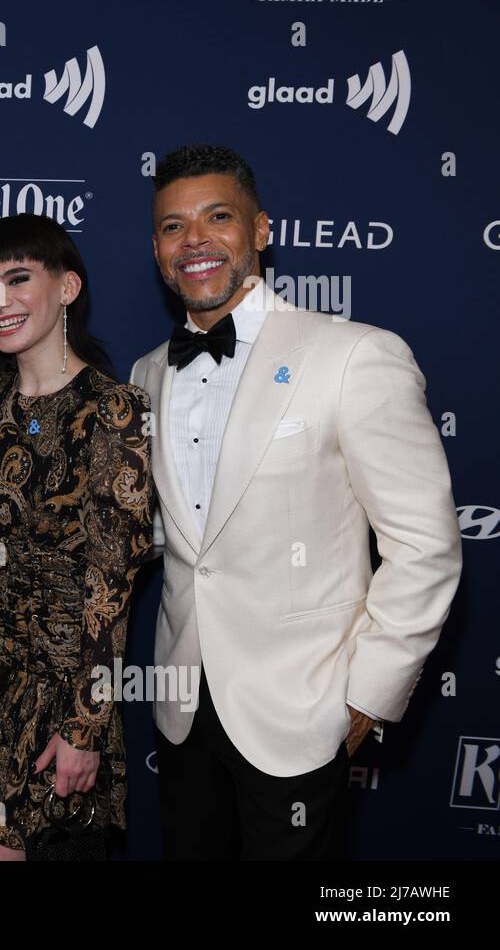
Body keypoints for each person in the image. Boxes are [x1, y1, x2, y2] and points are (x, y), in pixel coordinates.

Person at [130, 144, 462, 859]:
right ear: (156, 249)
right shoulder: (147, 373)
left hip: (302, 710)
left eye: (217, 217)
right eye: (172, 226)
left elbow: (425, 546)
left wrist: (365, 696)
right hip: (183, 709)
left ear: (261, 231)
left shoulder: (354, 356)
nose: (194, 241)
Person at [0, 213, 153, 860]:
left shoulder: (115, 411)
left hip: (65, 693)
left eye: (17, 279)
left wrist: (85, 727)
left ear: (67, 288)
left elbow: (110, 582)